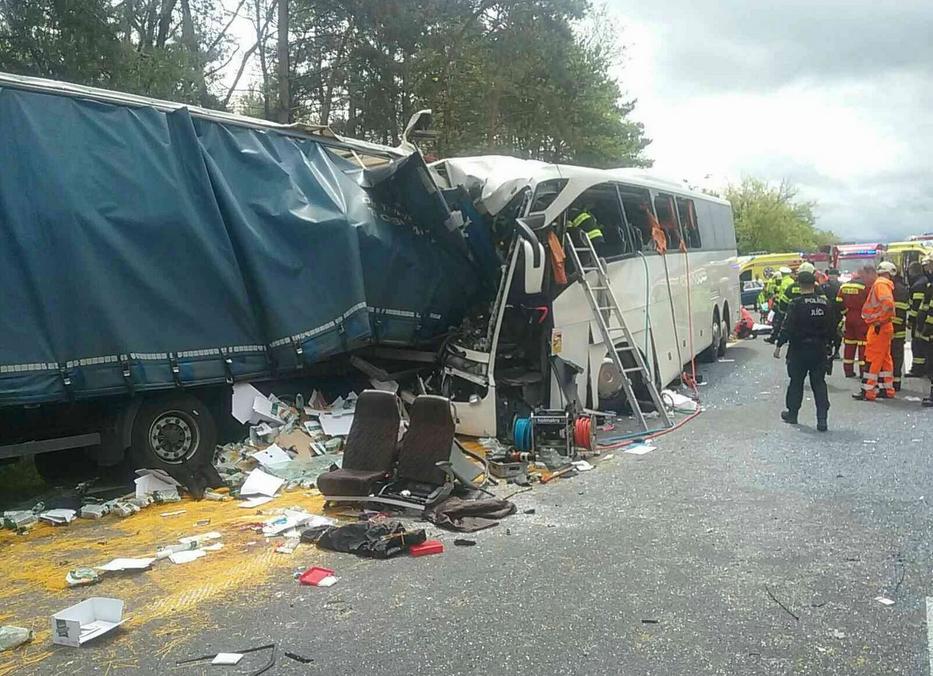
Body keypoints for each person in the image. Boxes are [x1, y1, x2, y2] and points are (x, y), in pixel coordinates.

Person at [772, 269, 833, 431]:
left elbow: (787, 327)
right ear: (814, 284)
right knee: (819, 383)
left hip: (799, 350)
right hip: (819, 349)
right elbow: (832, 327)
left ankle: (792, 414)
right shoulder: (825, 303)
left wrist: (779, 345)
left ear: (799, 285)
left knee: (796, 382)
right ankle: (822, 420)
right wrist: (832, 347)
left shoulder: (796, 304)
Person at [853, 262, 897, 401]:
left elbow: (888, 304)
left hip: (879, 328)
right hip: (884, 328)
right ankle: (887, 389)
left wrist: (879, 320)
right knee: (884, 359)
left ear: (871, 273)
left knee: (872, 359)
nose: (863, 280)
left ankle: (868, 391)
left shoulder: (879, 285)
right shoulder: (882, 284)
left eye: (863, 277)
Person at [836, 268, 870, 378]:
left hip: (849, 317)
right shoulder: (865, 286)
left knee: (849, 344)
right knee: (862, 345)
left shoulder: (844, 286)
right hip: (861, 317)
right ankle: (863, 371)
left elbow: (838, 301)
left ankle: (848, 371)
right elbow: (869, 302)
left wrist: (845, 313)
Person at [906, 259, 931, 378]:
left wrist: (911, 320)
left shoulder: (917, 285)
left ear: (912, 272)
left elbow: (915, 306)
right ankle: (924, 368)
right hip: (925, 319)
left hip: (919, 320)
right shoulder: (924, 281)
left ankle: (917, 369)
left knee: (917, 344)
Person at [891, 266, 910, 391]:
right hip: (899, 329)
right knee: (897, 355)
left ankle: (888, 383)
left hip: (889, 328)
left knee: (889, 355)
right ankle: (896, 382)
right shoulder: (902, 288)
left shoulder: (891, 288)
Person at [765, 266, 795, 344]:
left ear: (782, 273)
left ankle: (773, 338)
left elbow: (783, 294)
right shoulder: (792, 281)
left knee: (779, 322)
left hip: (783, 305)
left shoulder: (783, 282)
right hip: (792, 304)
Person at [821, 268, 843, 359]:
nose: (832, 276)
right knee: (834, 331)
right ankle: (833, 349)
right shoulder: (841, 285)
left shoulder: (824, 285)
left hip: (831, 311)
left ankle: (832, 348)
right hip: (835, 312)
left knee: (832, 331)